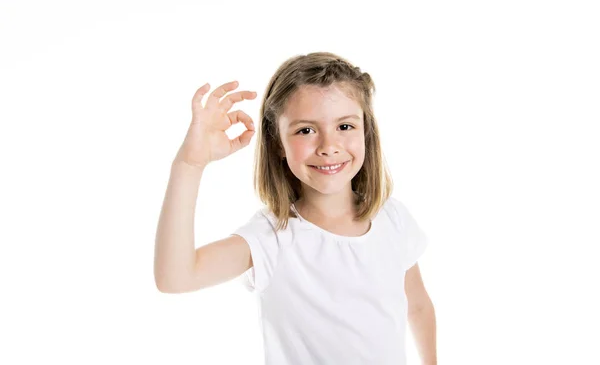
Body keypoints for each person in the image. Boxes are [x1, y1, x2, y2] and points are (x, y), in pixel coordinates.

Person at [154, 52, 437, 364]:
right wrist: (189, 164)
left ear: (366, 131)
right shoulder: (272, 238)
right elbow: (175, 278)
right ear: (278, 142)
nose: (329, 145)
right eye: (306, 130)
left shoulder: (392, 219)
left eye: (345, 126)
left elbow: (418, 306)